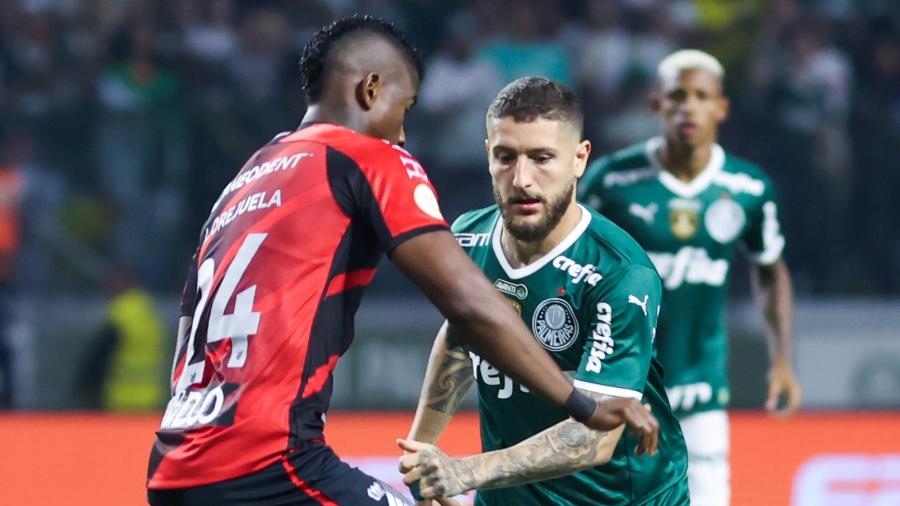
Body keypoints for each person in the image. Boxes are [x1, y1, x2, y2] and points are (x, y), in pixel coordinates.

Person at [146, 16, 657, 506]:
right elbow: (469, 306)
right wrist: (582, 404)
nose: (404, 134)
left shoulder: (252, 174)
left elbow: (191, 312)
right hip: (268, 459)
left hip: (176, 455)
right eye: (405, 107)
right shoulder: (368, 157)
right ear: (371, 90)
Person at [399, 77, 688, 505]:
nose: (522, 180)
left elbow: (597, 435)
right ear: (487, 156)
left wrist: (465, 471)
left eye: (542, 158)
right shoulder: (466, 239)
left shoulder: (620, 272)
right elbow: (461, 334)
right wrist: (418, 457)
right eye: (506, 157)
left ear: (579, 158)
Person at [579, 49, 802, 506]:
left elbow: (769, 270)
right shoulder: (611, 182)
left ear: (721, 107)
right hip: (619, 389)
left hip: (701, 392)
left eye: (701, 96)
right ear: (656, 102)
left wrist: (781, 360)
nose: (689, 107)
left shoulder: (748, 189)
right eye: (677, 95)